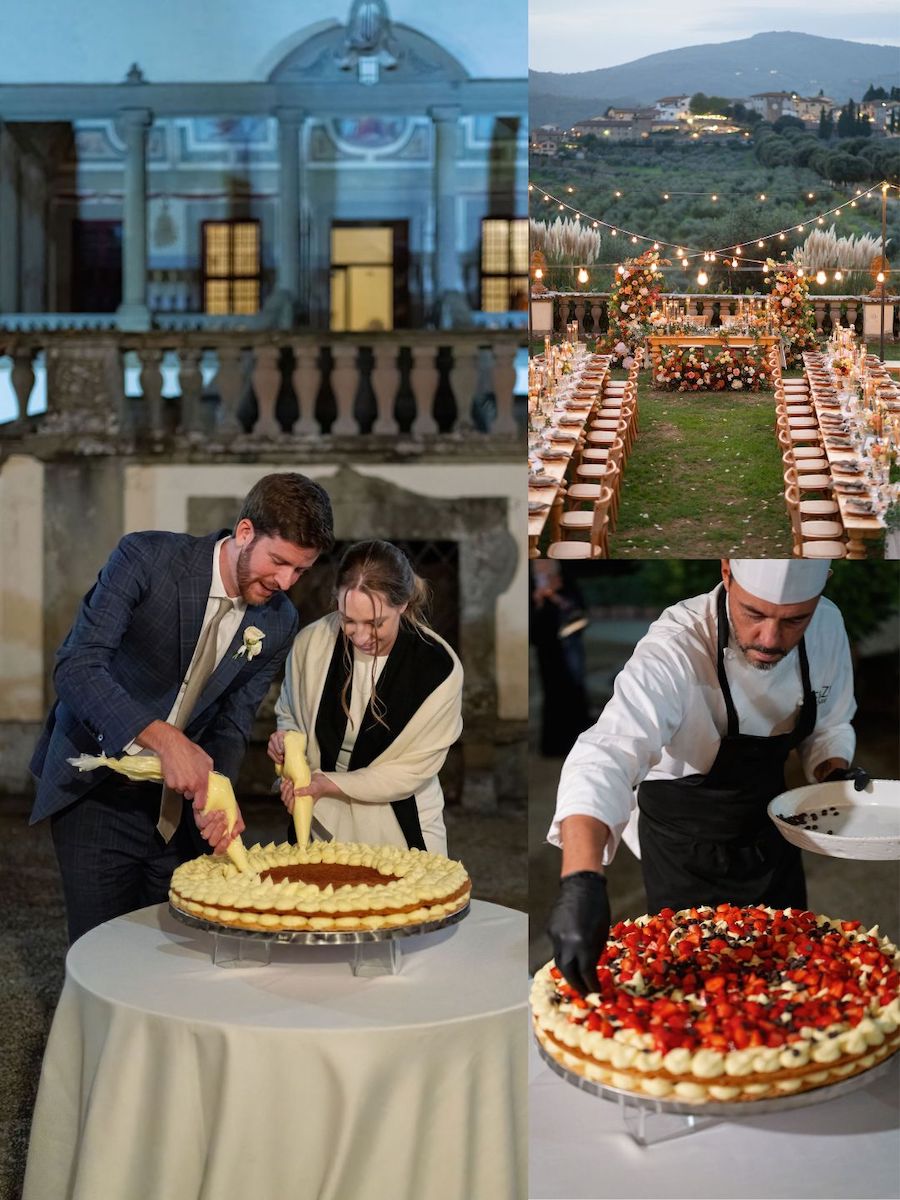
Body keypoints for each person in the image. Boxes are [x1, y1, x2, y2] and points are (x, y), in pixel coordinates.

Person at [29, 472, 334, 943]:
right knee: (104, 953)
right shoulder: (147, 558)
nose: (285, 582)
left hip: (182, 817)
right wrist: (165, 739)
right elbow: (77, 667)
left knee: (179, 956)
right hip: (99, 794)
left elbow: (232, 725)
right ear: (245, 532)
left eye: (301, 571)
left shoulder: (279, 622)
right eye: (278, 562)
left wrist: (217, 799)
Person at [547, 558, 869, 997]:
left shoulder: (827, 623)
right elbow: (605, 754)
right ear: (726, 573)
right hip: (683, 847)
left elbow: (829, 725)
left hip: (770, 837)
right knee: (696, 994)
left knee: (787, 978)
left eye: (795, 620)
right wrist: (580, 881)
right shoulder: (677, 646)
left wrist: (835, 773)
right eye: (754, 614)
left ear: (822, 588)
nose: (770, 639)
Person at [267, 540, 463, 855]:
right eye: (348, 620)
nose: (359, 636)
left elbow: (411, 769)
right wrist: (287, 742)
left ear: (402, 604)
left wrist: (327, 783)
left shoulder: (439, 668)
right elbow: (291, 713)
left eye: (375, 623)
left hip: (399, 826)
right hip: (321, 818)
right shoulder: (311, 644)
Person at [529, 561, 591, 756]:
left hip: (569, 644)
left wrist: (555, 595)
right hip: (548, 648)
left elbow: (579, 611)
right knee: (552, 694)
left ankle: (579, 742)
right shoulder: (530, 585)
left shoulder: (565, 581)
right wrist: (539, 600)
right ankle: (554, 746)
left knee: (575, 689)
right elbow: (532, 624)